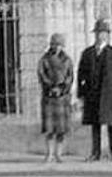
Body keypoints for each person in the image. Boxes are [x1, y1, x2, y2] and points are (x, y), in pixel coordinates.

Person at [76, 18, 112, 161]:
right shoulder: (88, 53)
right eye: (98, 33)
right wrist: (81, 92)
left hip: (109, 94)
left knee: (111, 125)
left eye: (103, 33)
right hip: (93, 94)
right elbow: (81, 73)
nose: (100, 35)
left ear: (107, 35)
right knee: (95, 125)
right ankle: (95, 153)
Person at [37, 32, 73, 162]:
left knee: (61, 129)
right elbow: (41, 75)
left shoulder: (67, 60)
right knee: (49, 129)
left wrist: (61, 89)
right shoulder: (44, 59)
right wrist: (50, 87)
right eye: (54, 44)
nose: (57, 47)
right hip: (49, 97)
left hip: (62, 97)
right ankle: (49, 153)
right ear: (51, 45)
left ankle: (59, 154)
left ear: (62, 46)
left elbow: (70, 77)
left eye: (59, 45)